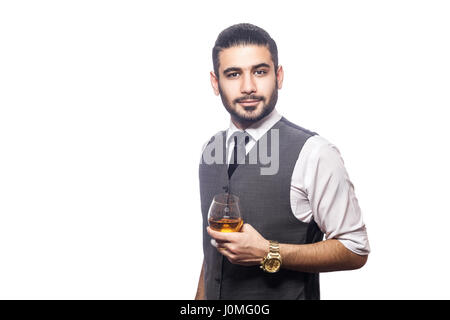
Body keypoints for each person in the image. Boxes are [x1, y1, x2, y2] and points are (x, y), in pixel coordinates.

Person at [196, 23, 370, 300]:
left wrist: (269, 251)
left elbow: (355, 248)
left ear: (279, 76)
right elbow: (212, 254)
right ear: (215, 83)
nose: (248, 87)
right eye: (233, 74)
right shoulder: (210, 150)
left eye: (260, 71)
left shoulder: (315, 153)